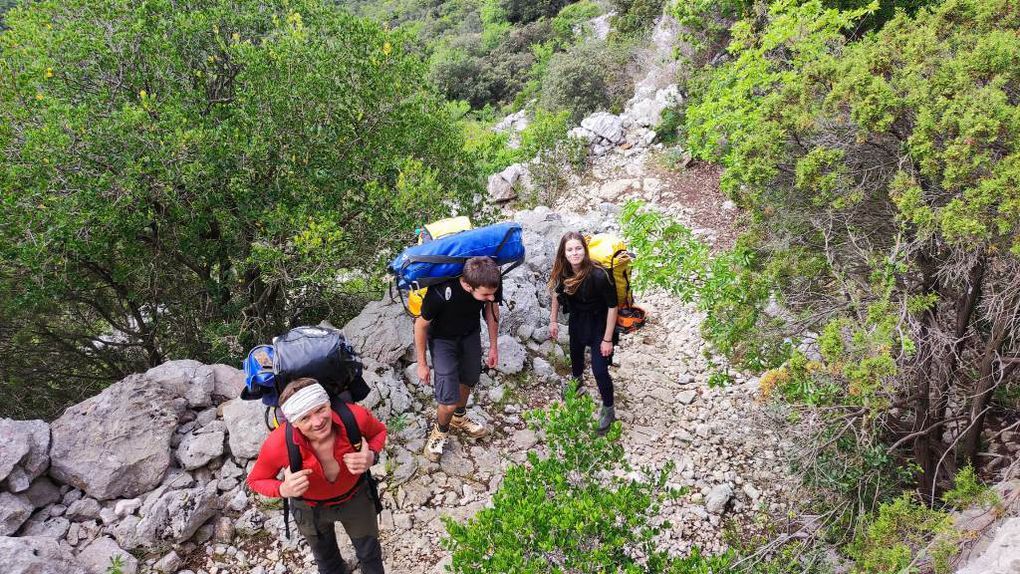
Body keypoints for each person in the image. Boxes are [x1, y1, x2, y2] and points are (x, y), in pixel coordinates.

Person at [247, 378, 387, 574]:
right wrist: (283, 489)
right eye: (305, 418)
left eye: (320, 409)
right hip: (310, 509)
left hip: (356, 498)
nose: (318, 421)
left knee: (370, 555)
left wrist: (371, 455)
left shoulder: (354, 418)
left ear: (328, 403)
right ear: (293, 422)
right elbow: (255, 480)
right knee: (327, 562)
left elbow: (379, 432)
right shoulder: (278, 444)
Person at [415, 256, 501, 462]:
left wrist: (493, 346)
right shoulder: (439, 294)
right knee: (448, 401)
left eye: (493, 293)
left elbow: (492, 310)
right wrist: (422, 363)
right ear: (466, 284)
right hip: (443, 340)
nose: (490, 297)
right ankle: (440, 431)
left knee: (469, 378)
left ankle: (459, 419)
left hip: (470, 334)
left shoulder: (492, 281)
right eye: (485, 294)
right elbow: (420, 325)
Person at [548, 231, 620, 434]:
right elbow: (556, 293)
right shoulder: (564, 272)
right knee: (576, 358)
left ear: (585, 250)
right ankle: (577, 384)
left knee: (599, 370)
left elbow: (612, 306)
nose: (574, 253)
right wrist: (553, 320)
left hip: (599, 324)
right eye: (569, 249)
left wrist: (607, 339)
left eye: (578, 248)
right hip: (577, 322)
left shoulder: (599, 274)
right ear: (564, 252)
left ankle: (608, 408)